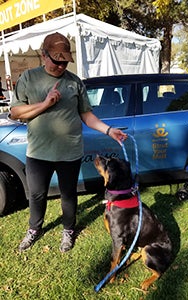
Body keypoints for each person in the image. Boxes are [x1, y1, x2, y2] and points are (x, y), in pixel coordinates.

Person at [10, 32, 127, 253]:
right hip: (38, 152)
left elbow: (87, 115)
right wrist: (45, 103)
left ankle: (68, 230)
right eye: (56, 61)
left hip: (69, 152)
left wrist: (109, 130)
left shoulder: (74, 83)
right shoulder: (28, 78)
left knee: (68, 194)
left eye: (64, 62)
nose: (61, 66)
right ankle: (34, 229)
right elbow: (16, 112)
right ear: (44, 56)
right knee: (36, 194)